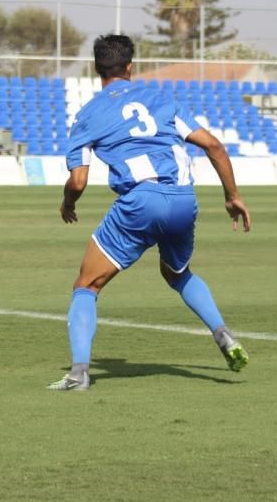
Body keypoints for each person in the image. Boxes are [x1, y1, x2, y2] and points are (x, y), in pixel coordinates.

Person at [48, 35, 251, 392]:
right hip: (183, 198)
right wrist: (232, 196)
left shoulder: (87, 114)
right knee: (177, 272)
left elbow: (78, 181)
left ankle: (78, 372)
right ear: (130, 67)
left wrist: (68, 203)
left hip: (141, 202)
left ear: (97, 69)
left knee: (87, 285)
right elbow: (214, 146)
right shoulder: (162, 100)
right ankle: (223, 334)